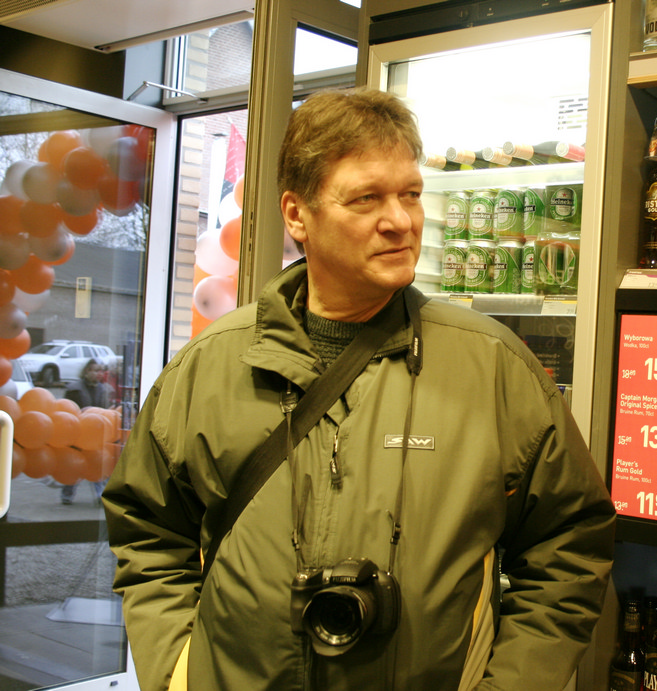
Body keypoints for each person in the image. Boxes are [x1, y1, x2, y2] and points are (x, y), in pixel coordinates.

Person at [102, 88, 615, 691]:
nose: (400, 220)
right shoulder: (209, 367)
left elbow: (570, 543)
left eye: (411, 194)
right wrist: (179, 672)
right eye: (367, 198)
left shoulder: (493, 367)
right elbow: (148, 529)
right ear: (298, 215)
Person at [60, 357, 115, 504]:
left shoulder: (105, 390)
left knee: (97, 464)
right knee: (73, 466)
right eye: (95, 370)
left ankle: (100, 495)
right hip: (77, 434)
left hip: (96, 434)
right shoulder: (74, 389)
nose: (99, 374)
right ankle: (67, 494)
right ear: (87, 371)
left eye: (101, 371)